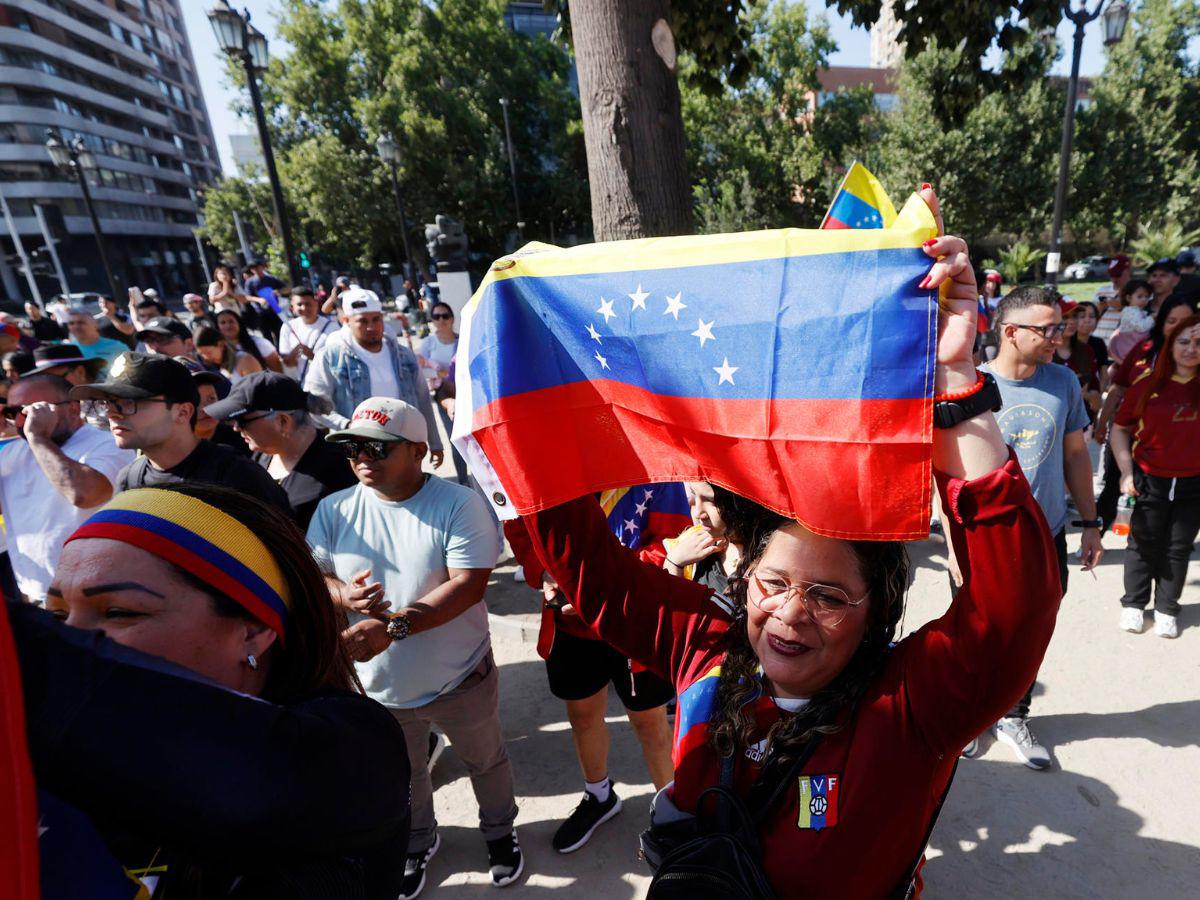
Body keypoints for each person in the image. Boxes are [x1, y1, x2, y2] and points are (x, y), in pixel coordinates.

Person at [507, 203, 1062, 898]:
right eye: (772, 583)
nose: (790, 614)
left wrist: (954, 382)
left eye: (828, 597)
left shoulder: (912, 704)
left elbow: (1015, 610)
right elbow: (593, 575)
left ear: (877, 611)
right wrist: (534, 399)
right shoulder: (706, 645)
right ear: (745, 577)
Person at [15, 483, 411, 898]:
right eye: (55, 617)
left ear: (253, 630)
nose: (71, 640)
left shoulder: (355, 743)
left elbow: (261, 793)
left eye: (118, 611)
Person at [307, 397, 520, 898]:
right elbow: (317, 576)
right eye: (353, 447)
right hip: (379, 687)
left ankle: (499, 832)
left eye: (378, 447)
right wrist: (344, 595)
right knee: (405, 774)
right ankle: (419, 840)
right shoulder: (334, 509)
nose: (363, 457)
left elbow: (468, 585)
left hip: (459, 676)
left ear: (420, 451)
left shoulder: (459, 504)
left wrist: (392, 629)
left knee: (485, 761)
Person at [966, 285, 1102, 770]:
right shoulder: (972, 384)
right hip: (984, 538)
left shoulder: (1063, 381)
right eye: (1048, 329)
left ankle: (1014, 714)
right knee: (979, 630)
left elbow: (1075, 455)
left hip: (1047, 534)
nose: (1058, 336)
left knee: (1034, 629)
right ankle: (973, 714)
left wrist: (1091, 523)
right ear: (1011, 332)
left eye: (1060, 326)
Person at [511, 484, 687, 856]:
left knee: (650, 723)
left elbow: (674, 540)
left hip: (633, 620)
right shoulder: (543, 468)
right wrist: (546, 571)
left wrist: (598, 586)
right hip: (571, 624)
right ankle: (599, 795)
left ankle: (673, 819)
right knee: (582, 715)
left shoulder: (648, 471)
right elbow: (519, 524)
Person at [69, 352, 291, 513]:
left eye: (129, 402)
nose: (112, 413)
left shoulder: (237, 477)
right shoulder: (130, 479)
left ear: (183, 412)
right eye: (107, 403)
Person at [0, 374, 132, 602]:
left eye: (33, 410)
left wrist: (38, 438)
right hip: (36, 597)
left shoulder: (108, 443)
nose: (24, 420)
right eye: (13, 412)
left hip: (98, 596)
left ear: (73, 408)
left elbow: (84, 495)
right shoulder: (14, 453)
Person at [1110, 315, 1200, 639]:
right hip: (1149, 480)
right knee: (1142, 543)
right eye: (1184, 341)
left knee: (1178, 547)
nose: (1191, 349)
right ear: (1171, 345)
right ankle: (1134, 604)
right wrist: (1126, 472)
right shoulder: (1147, 385)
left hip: (1194, 483)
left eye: (1199, 343)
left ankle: (1166, 608)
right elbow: (1120, 428)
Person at [306, 288, 444, 466]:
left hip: (401, 449)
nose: (371, 327)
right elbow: (315, 404)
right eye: (362, 321)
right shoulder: (330, 357)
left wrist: (434, 443)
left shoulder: (404, 356)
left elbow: (423, 400)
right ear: (346, 321)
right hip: (358, 455)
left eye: (376, 319)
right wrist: (348, 426)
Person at [1093, 297, 1197, 532]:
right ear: (1161, 322)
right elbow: (1118, 387)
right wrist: (1102, 423)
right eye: (1172, 321)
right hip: (1131, 437)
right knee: (1114, 488)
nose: (1179, 326)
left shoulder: (1195, 357)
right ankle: (1094, 535)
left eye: (1187, 321)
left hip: (1180, 453)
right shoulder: (1145, 349)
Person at [206, 372, 355, 529]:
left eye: (242, 420)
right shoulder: (262, 455)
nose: (236, 428)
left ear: (283, 421)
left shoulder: (339, 469)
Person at [417, 301, 467, 483]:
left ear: (452, 318)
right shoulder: (428, 343)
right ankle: (464, 481)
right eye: (436, 316)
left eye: (445, 315)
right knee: (456, 440)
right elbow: (419, 369)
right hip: (443, 396)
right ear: (432, 320)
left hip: (466, 395)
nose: (441, 320)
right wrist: (440, 374)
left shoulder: (463, 339)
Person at [174, 356, 247, 456]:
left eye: (211, 398)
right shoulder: (166, 453)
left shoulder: (244, 440)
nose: (206, 408)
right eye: (195, 401)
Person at [279, 285, 337, 383]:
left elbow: (337, 362)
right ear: (292, 307)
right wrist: (295, 352)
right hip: (301, 385)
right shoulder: (287, 327)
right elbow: (287, 363)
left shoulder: (332, 327)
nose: (304, 308)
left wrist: (313, 356)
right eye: (299, 304)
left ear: (316, 303)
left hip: (327, 384)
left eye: (308, 304)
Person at [216, 306, 282, 373]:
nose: (228, 326)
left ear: (239, 324)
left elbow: (277, 371)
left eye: (231, 321)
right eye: (223, 323)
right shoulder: (217, 350)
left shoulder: (260, 343)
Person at [195, 324, 264, 384]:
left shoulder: (245, 360)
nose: (206, 357)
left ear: (220, 345)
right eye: (202, 354)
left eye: (208, 352)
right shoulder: (220, 368)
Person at [67, 308, 129, 373]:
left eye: (81, 322)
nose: (76, 327)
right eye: (71, 323)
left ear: (95, 324)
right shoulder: (67, 351)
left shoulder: (117, 347)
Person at [1109, 279, 1154, 363]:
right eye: (1139, 296)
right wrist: (1152, 318)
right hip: (1129, 347)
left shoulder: (1138, 311)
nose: (1144, 299)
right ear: (1128, 298)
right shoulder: (1130, 311)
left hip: (1134, 347)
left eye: (1146, 297)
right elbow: (1141, 327)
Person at [27, 345, 106, 386]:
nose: (49, 386)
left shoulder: (108, 397)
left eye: (56, 379)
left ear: (80, 372)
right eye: (43, 381)